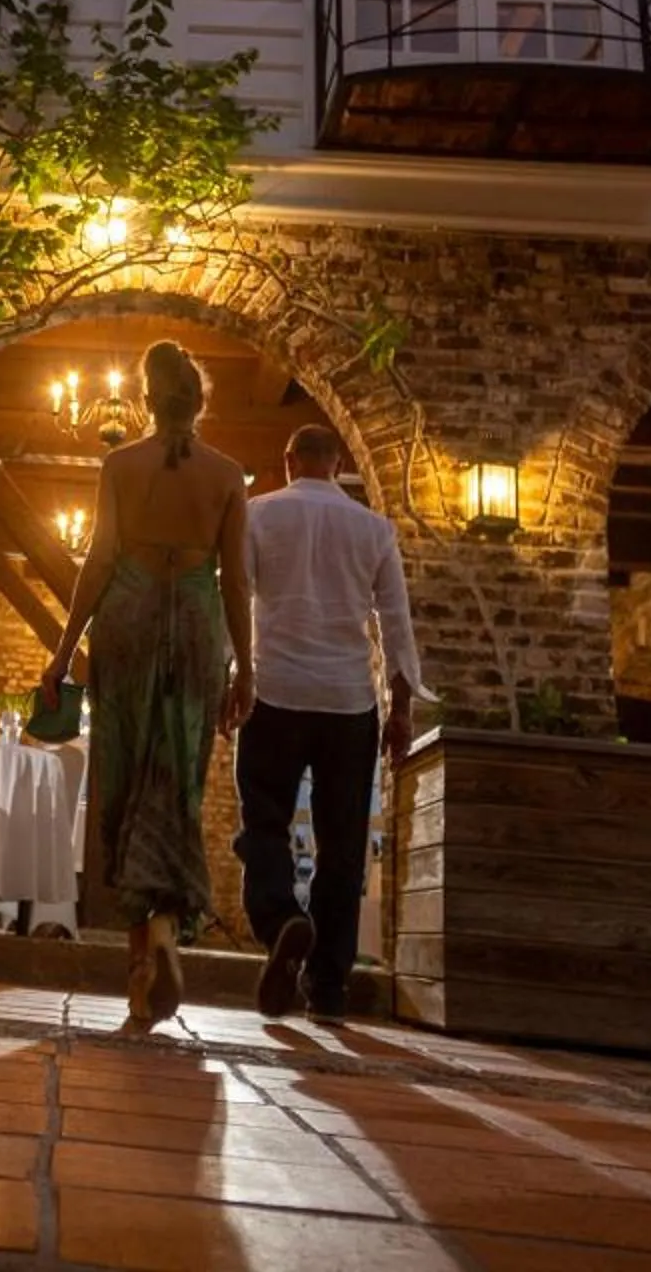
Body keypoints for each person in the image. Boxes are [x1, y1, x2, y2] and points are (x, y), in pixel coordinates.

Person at [37, 339, 253, 1032]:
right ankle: (164, 930)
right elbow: (237, 581)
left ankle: (140, 970)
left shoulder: (119, 465)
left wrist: (62, 652)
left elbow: (99, 561)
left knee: (126, 783)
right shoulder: (227, 476)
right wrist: (246, 666)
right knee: (178, 783)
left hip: (127, 616)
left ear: (146, 401)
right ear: (199, 401)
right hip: (195, 618)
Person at [236, 424, 423, 1020]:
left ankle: (282, 919)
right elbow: (396, 623)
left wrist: (229, 678)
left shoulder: (256, 515)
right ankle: (329, 987)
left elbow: (234, 597)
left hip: (275, 692)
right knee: (342, 845)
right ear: (339, 463)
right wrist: (402, 709)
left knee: (264, 823)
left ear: (288, 459)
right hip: (347, 703)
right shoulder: (373, 529)